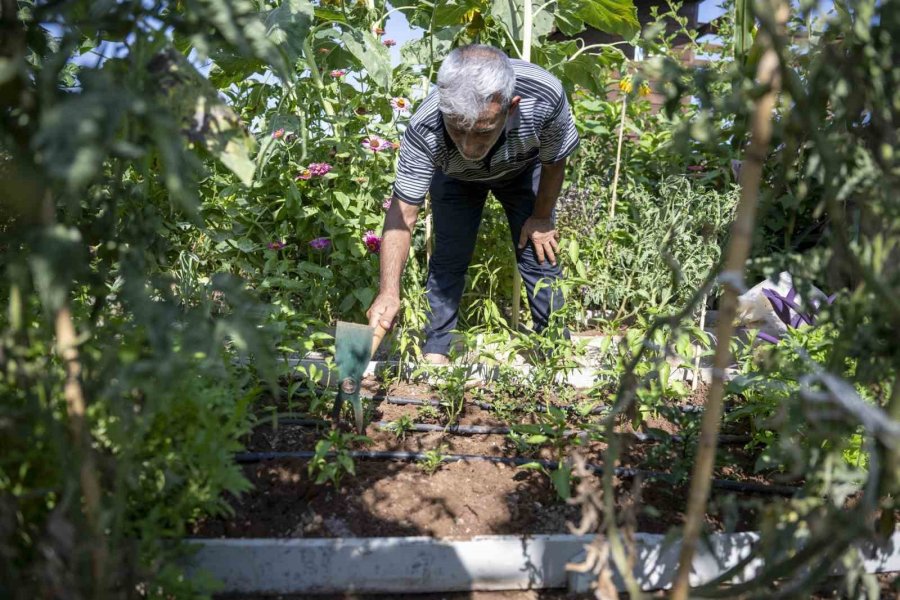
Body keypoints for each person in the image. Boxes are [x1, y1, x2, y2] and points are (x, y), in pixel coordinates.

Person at [366, 44, 579, 364]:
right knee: (449, 257)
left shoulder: (544, 96)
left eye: (481, 132)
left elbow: (554, 163)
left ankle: (554, 350)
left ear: (511, 109)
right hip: (455, 178)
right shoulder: (425, 128)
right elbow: (402, 216)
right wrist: (388, 291)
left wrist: (542, 217)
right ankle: (436, 350)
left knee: (539, 251)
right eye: (457, 129)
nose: (468, 146)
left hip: (522, 168)